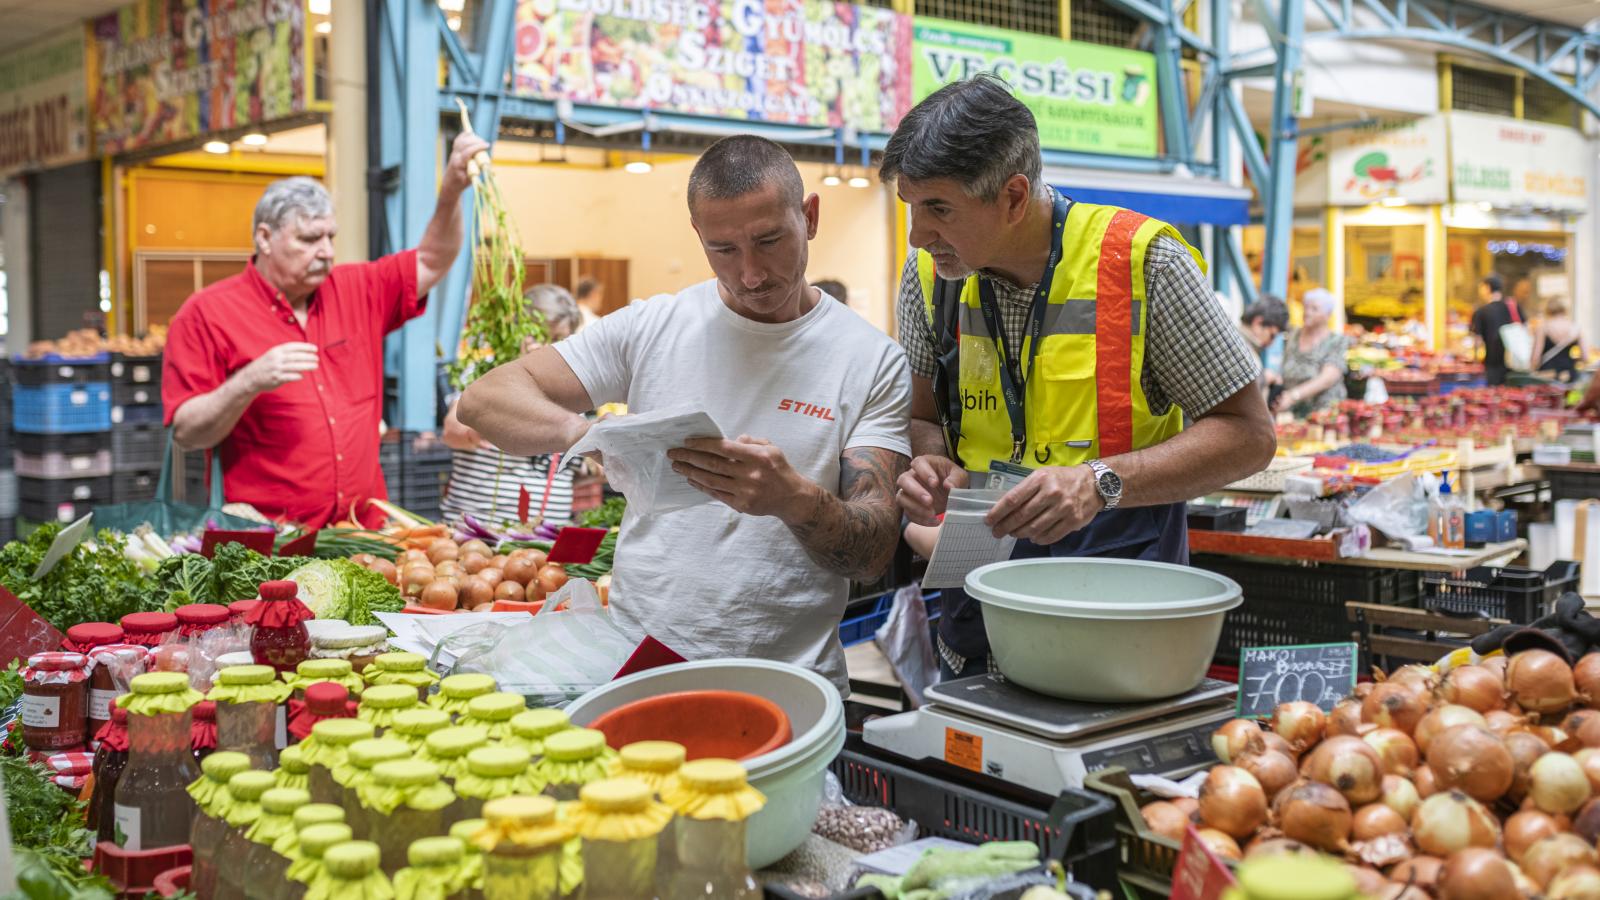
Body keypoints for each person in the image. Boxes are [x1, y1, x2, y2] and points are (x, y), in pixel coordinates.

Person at [458, 135, 912, 692]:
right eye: (723, 249)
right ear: (697, 234)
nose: (750, 273)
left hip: (789, 683)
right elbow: (484, 400)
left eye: (769, 240)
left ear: (810, 217)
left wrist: (793, 500)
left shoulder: (871, 358)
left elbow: (873, 551)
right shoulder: (654, 327)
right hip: (639, 662)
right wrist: (591, 435)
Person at [883, 76, 1275, 681]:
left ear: (1014, 197)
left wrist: (1101, 482)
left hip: (1117, 594)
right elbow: (923, 416)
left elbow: (1249, 435)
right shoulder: (928, 275)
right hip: (977, 580)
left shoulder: (1145, 263)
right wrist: (931, 463)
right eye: (911, 206)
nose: (918, 234)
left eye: (939, 209)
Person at [162, 133, 491, 529]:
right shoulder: (206, 314)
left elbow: (433, 260)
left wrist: (451, 190)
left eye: (330, 237)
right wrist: (248, 381)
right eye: (309, 239)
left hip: (362, 533)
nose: (327, 251)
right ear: (265, 238)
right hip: (270, 544)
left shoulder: (357, 288)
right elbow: (186, 432)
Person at [441, 285, 588, 524]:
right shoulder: (487, 371)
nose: (548, 347)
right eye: (540, 335)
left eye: (558, 340)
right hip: (478, 535)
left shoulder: (572, 388)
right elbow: (452, 431)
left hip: (545, 541)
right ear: (519, 329)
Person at [1275, 288, 1349, 418]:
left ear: (1327, 315)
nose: (1307, 312)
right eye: (1306, 307)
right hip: (1292, 412)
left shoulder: (1337, 341)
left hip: (1323, 411)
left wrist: (1293, 395)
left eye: (1314, 309)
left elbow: (1327, 378)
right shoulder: (1292, 335)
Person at [1470, 273, 1523, 386]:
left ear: (1487, 288)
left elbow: (1477, 341)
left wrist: (1474, 360)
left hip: (1492, 365)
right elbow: (1525, 326)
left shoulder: (1481, 312)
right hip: (1515, 363)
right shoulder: (1512, 306)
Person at [1239, 296, 1290, 399]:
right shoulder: (1244, 351)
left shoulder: (1233, 340)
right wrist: (1263, 379)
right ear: (1257, 323)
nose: (1271, 343)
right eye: (1272, 335)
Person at [1531, 298, 1585, 382]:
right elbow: (1585, 357)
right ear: (1565, 309)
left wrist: (1532, 370)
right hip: (1569, 374)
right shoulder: (1575, 328)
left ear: (1548, 310)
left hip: (1548, 375)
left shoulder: (1543, 328)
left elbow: (1535, 358)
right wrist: (1572, 361)